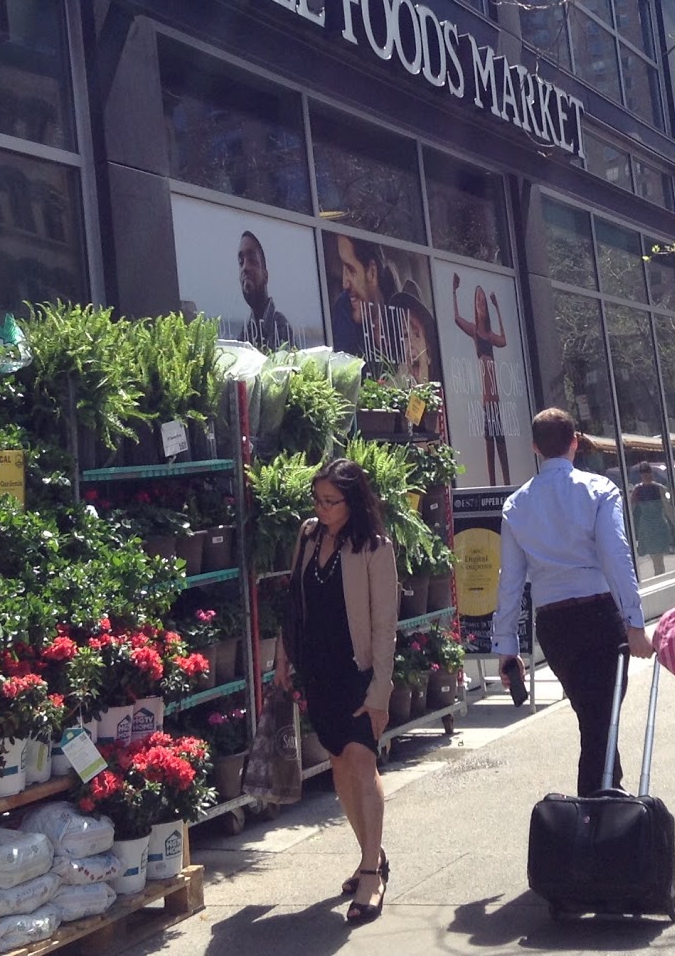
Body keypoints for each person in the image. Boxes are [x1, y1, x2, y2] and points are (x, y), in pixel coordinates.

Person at [494, 409, 653, 796]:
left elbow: (511, 582)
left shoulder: (516, 505)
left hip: (554, 627)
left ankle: (608, 805)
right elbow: (616, 555)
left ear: (534, 447)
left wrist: (506, 647)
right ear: (575, 443)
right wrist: (634, 622)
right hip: (600, 615)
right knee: (599, 722)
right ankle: (595, 814)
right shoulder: (599, 490)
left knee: (595, 719)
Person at [273, 458, 396, 925]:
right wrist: (283, 658)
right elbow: (293, 604)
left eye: (331, 501)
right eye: (318, 500)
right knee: (340, 764)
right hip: (317, 670)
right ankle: (373, 853)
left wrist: (381, 689)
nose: (322, 509)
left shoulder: (373, 547)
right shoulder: (307, 535)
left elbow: (385, 625)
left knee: (362, 761)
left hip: (357, 672)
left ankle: (371, 872)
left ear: (353, 500)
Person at [451, 274, 510, 484]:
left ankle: (507, 481)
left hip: (496, 397)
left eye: (483, 301)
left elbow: (504, 340)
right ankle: (493, 484)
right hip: (486, 398)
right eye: (479, 301)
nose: (481, 304)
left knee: (500, 439)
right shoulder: (476, 332)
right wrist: (454, 290)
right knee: (489, 441)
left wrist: (497, 307)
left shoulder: (490, 335)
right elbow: (457, 318)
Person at [329, 234, 404, 371]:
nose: (345, 283)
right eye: (343, 270)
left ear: (372, 272)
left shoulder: (399, 310)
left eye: (351, 270)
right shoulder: (343, 311)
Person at [237, 230, 294, 351]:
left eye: (252, 260)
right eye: (241, 262)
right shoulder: (245, 334)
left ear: (265, 275)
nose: (245, 268)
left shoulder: (279, 326)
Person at [629, 461, 675, 574]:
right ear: (640, 475)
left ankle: (660, 576)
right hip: (647, 527)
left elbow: (667, 507)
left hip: (658, 525)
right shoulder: (637, 490)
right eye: (643, 473)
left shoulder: (659, 488)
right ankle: (660, 576)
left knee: (658, 558)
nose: (646, 475)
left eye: (647, 472)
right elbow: (631, 509)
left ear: (651, 473)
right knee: (656, 558)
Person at [389, 290, 440, 387]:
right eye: (405, 335)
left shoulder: (443, 394)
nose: (411, 345)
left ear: (428, 352)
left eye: (417, 334)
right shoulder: (397, 394)